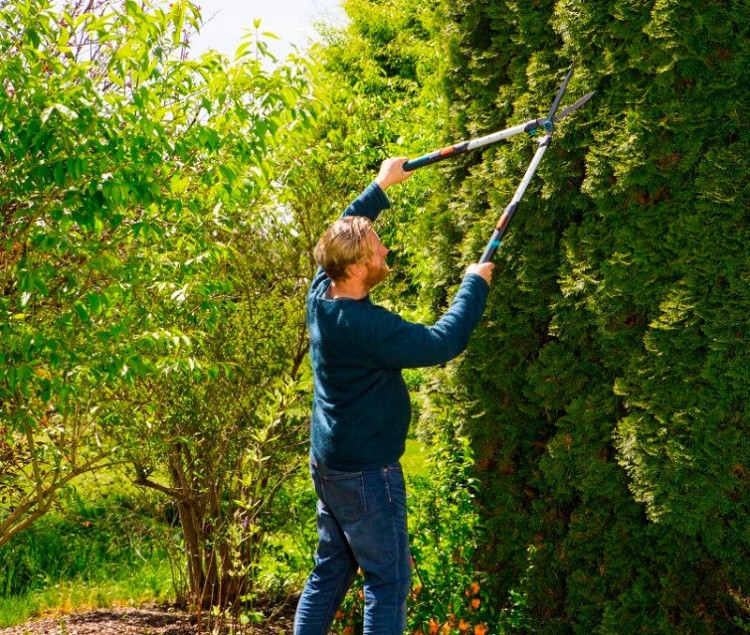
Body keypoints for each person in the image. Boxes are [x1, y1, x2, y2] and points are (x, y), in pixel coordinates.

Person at [294, 157, 494, 635]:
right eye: (376, 249)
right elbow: (442, 341)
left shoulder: (322, 293)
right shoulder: (367, 327)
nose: (384, 250)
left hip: (330, 462)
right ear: (356, 267)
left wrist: (381, 186)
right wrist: (474, 284)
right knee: (388, 582)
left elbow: (342, 227)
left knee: (331, 570)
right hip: (366, 473)